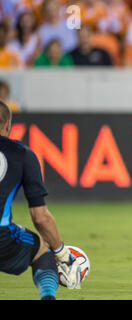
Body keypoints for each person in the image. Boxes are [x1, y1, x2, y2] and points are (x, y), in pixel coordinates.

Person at [0, 101, 82, 299]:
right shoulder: (22, 155)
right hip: (1, 238)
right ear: (9, 124)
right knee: (42, 249)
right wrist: (62, 254)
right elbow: (40, 217)